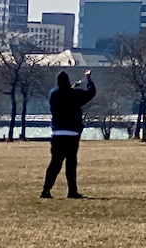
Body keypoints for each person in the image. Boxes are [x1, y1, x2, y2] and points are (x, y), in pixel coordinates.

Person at [42, 69, 96, 199]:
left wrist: (72, 89)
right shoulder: (75, 94)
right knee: (71, 163)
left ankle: (46, 190)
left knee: (55, 163)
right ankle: (72, 191)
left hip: (57, 133)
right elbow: (90, 93)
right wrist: (88, 79)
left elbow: (64, 96)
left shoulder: (53, 94)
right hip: (72, 133)